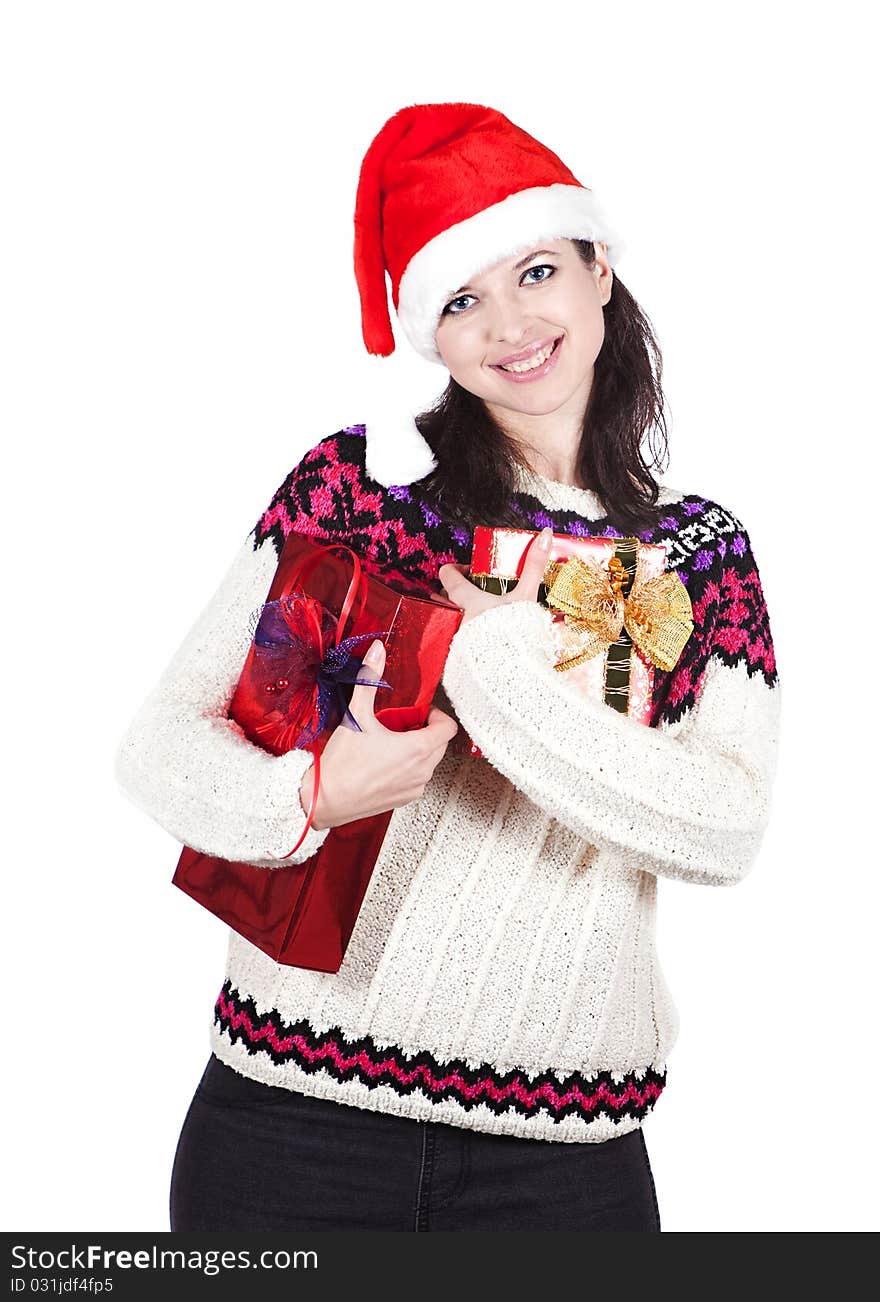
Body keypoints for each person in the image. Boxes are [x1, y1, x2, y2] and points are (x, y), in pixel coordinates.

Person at [114, 102, 781, 1233]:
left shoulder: (687, 554)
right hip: (289, 1132)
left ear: (597, 270)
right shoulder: (360, 492)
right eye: (462, 299)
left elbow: (721, 828)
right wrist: (310, 797)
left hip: (563, 1163)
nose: (509, 324)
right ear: (431, 331)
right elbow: (160, 748)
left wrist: (478, 658)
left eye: (533, 272)